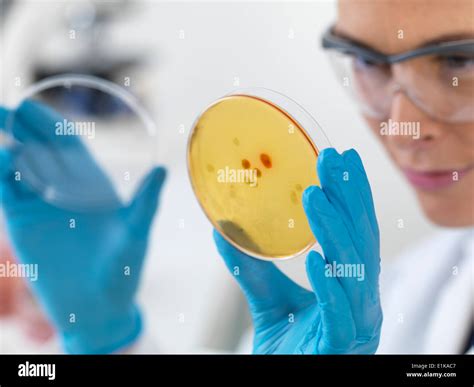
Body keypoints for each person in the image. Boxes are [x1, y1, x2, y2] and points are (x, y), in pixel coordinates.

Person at [0, 0, 472, 354]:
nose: (402, 129)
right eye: (369, 61)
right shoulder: (408, 294)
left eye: (459, 62)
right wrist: (107, 337)